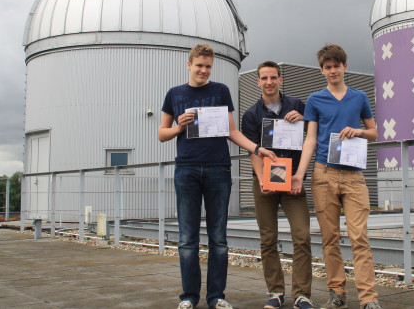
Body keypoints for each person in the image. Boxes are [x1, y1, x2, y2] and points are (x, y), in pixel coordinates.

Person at [159, 44, 276, 309]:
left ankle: (216, 297)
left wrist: (257, 148)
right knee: (187, 239)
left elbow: (231, 131)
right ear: (189, 64)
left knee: (219, 239)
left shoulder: (221, 91)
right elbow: (162, 133)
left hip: (218, 170)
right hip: (186, 170)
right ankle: (188, 297)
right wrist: (180, 126)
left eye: (208, 66)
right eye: (199, 65)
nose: (203, 70)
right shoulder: (174, 94)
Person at [292, 45, 382, 309]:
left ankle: (368, 298)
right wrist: (300, 174)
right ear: (322, 70)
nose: (332, 70)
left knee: (359, 237)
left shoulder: (360, 97)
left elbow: (374, 132)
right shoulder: (315, 100)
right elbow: (310, 139)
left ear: (345, 66)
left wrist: (358, 131)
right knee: (330, 238)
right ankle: (337, 294)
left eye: (336, 65)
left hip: (354, 176)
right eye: (327, 67)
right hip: (323, 174)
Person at [241, 62, 315, 309]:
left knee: (302, 236)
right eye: (264, 78)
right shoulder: (251, 114)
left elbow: (315, 132)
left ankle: (302, 294)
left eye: (273, 77)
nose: (269, 82)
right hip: (265, 181)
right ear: (258, 82)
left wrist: (304, 118)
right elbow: (252, 150)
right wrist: (262, 178)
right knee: (268, 239)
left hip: (293, 179)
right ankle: (275, 292)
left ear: (280, 80)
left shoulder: (297, 105)